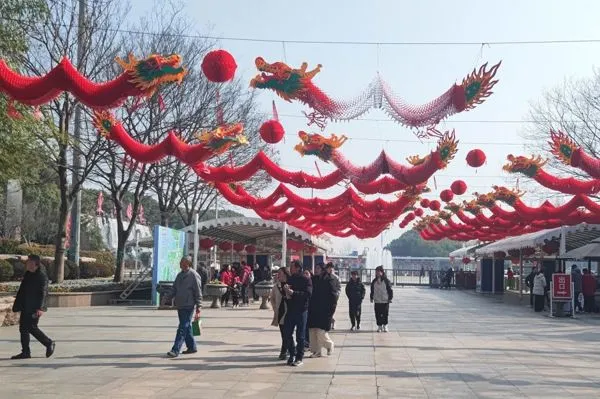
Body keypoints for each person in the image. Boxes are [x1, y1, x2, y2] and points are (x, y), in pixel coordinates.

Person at [11, 254, 55, 359]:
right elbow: (23, 291)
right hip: (25, 305)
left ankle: (49, 343)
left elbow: (44, 293)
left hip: (34, 307)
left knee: (32, 328)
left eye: (29, 261)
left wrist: (40, 308)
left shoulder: (42, 276)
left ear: (34, 263)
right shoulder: (28, 274)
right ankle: (25, 352)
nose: (26, 263)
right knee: (23, 329)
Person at [167, 256, 202, 358]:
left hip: (189, 305)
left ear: (187, 263)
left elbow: (198, 292)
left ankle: (175, 349)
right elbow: (174, 288)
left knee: (182, 327)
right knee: (186, 326)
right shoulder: (179, 275)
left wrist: (199, 306)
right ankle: (192, 347)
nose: (180, 263)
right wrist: (167, 297)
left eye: (182, 262)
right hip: (180, 304)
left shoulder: (194, 275)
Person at [282, 260, 312, 367]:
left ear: (298, 268)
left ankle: (299, 357)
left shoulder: (306, 280)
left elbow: (308, 294)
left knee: (300, 336)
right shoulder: (290, 279)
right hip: (291, 310)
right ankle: (292, 353)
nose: (290, 269)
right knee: (286, 333)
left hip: (301, 311)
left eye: (292, 267)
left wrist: (293, 293)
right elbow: (287, 294)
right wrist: (286, 292)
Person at [307, 263, 336, 358]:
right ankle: (316, 351)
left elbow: (333, 297)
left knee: (320, 331)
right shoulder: (314, 279)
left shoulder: (329, 280)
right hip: (313, 309)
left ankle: (329, 344)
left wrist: (331, 310)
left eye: (318, 268)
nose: (316, 269)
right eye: (315, 267)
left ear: (323, 269)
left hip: (324, 310)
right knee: (312, 331)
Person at [271, 267, 291, 360]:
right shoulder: (276, 286)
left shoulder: (291, 284)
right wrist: (275, 308)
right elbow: (272, 298)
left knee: (288, 333)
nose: (278, 275)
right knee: (283, 333)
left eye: (280, 273)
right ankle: (286, 350)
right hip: (280, 311)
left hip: (289, 311)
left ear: (285, 274)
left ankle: (285, 350)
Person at [370, 266, 393, 332]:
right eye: (376, 272)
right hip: (377, 300)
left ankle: (385, 325)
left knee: (385, 313)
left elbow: (390, 290)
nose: (377, 273)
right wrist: (371, 297)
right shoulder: (374, 281)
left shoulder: (386, 281)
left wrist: (390, 298)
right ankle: (379, 326)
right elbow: (372, 290)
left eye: (378, 271)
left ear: (382, 272)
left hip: (385, 300)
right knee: (377, 314)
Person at [326, 263, 341, 330]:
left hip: (333, 298)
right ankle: (330, 322)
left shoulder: (336, 278)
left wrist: (336, 295)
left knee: (331, 311)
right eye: (329, 268)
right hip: (325, 297)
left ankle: (332, 322)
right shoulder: (324, 276)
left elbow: (339, 288)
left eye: (332, 268)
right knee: (327, 311)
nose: (330, 269)